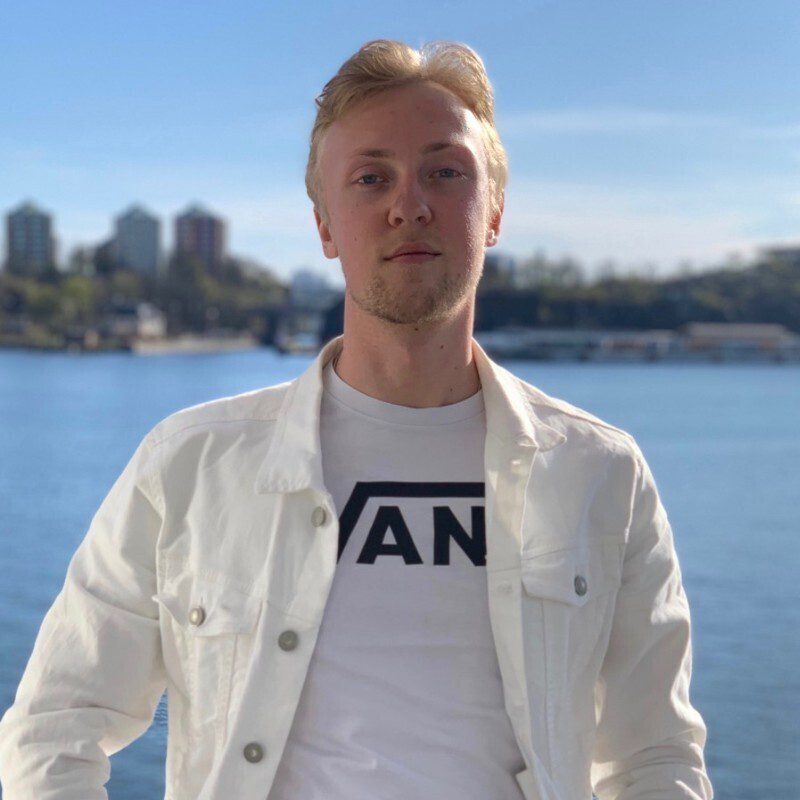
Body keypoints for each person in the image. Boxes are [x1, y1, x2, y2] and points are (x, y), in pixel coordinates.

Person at [0, 39, 714, 800]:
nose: (410, 204)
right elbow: (57, 722)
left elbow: (653, 760)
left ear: (494, 212)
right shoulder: (190, 466)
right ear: (326, 230)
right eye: (371, 178)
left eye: (446, 172)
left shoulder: (600, 474)